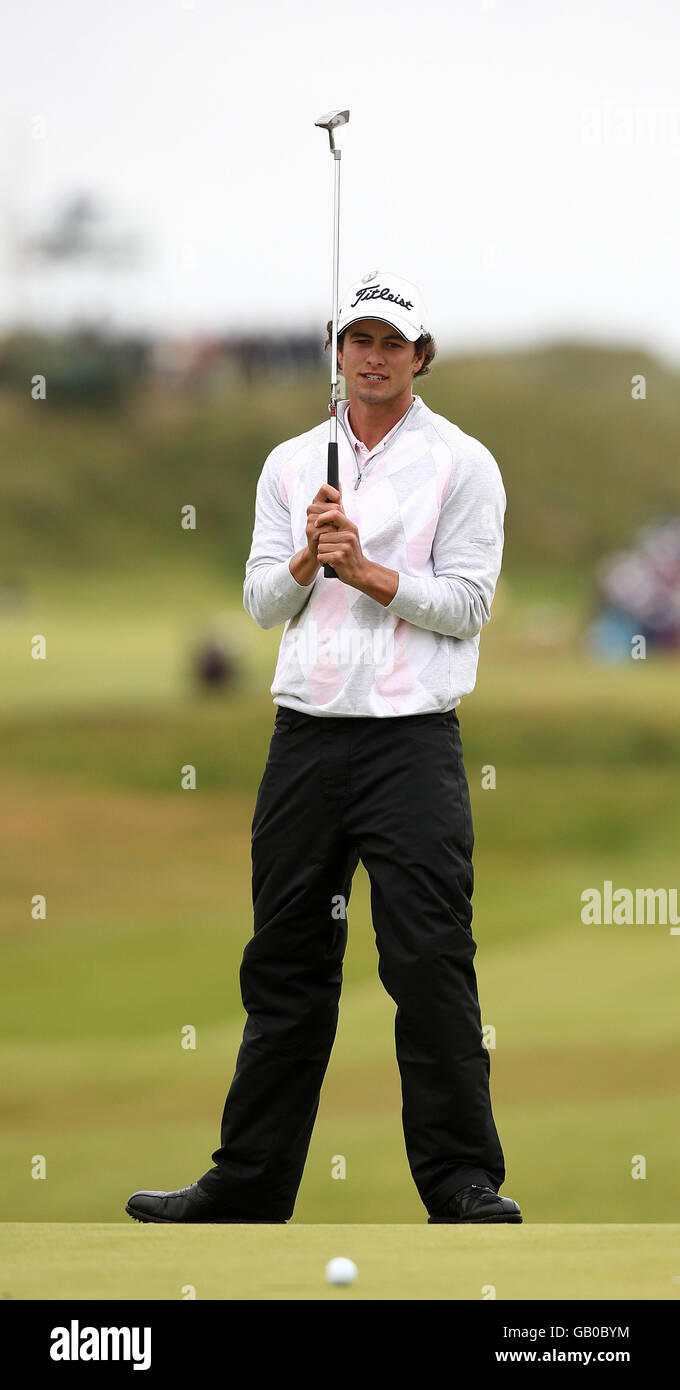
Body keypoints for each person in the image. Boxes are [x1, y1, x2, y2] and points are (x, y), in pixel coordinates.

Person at [125, 269, 521, 1226]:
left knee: (428, 960)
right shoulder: (293, 462)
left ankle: (463, 1182)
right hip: (305, 736)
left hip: (411, 744)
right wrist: (310, 557)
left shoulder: (464, 464)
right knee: (286, 965)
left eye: (392, 343)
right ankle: (249, 1185)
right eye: (358, 341)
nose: (373, 357)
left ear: (420, 357)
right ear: (336, 353)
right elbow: (264, 603)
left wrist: (371, 571)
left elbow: (468, 607)